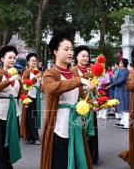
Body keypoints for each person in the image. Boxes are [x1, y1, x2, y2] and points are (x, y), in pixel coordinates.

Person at [40, 32, 94, 169]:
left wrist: (94, 104)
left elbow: (82, 97)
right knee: (61, 161)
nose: (70, 52)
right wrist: (79, 80)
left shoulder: (74, 73)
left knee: (77, 159)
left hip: (75, 123)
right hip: (58, 125)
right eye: (66, 49)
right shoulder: (49, 73)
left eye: (71, 49)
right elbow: (51, 89)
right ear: (55, 52)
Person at [0, 45, 25, 169]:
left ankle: (8, 162)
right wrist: (8, 81)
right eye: (9, 57)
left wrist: (25, 99)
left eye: (14, 58)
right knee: (1, 140)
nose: (12, 60)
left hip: (14, 112)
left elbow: (20, 94)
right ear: (2, 59)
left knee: (13, 138)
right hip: (0, 113)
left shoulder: (18, 77)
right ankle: (1, 165)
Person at [72, 45, 99, 164]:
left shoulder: (91, 70)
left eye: (87, 56)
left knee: (92, 127)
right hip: (79, 103)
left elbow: (94, 87)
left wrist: (98, 95)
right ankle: (81, 156)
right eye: (83, 56)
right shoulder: (73, 71)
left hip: (92, 102)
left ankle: (92, 157)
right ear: (76, 57)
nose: (85, 58)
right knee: (81, 129)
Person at [20, 53, 42, 145]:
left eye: (35, 61)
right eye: (32, 61)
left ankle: (30, 136)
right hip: (29, 97)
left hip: (37, 96)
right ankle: (35, 137)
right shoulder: (27, 71)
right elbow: (24, 84)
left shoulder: (38, 71)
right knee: (31, 117)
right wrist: (35, 79)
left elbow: (41, 85)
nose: (34, 62)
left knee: (35, 116)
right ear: (28, 62)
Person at [110, 58, 130, 129]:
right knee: (122, 107)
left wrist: (111, 85)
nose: (119, 64)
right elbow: (116, 80)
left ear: (123, 64)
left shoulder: (125, 71)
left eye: (121, 63)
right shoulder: (121, 71)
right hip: (121, 90)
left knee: (125, 107)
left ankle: (127, 124)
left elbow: (119, 80)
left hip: (124, 91)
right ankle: (123, 122)